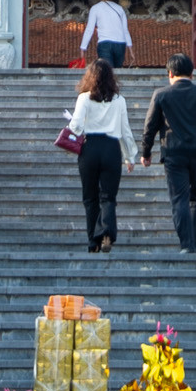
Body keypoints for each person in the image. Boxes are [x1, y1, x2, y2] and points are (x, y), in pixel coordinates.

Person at [137, 54, 196, 254]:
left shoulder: (161, 94)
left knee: (179, 198)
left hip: (174, 152)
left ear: (170, 73)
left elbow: (150, 127)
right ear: (192, 73)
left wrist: (145, 152)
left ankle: (186, 244)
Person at [70, 58, 133, 252]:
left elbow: (76, 126)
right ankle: (107, 232)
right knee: (108, 196)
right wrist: (129, 156)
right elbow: (125, 130)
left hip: (89, 148)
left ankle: (92, 242)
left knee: (90, 197)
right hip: (111, 148)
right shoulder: (119, 100)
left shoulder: (84, 98)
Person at [80, 0, 132, 72]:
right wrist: (130, 48)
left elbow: (89, 29)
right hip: (120, 44)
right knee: (117, 72)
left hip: (105, 44)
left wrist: (83, 47)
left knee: (107, 72)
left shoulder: (95, 8)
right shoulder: (120, 9)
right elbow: (125, 30)